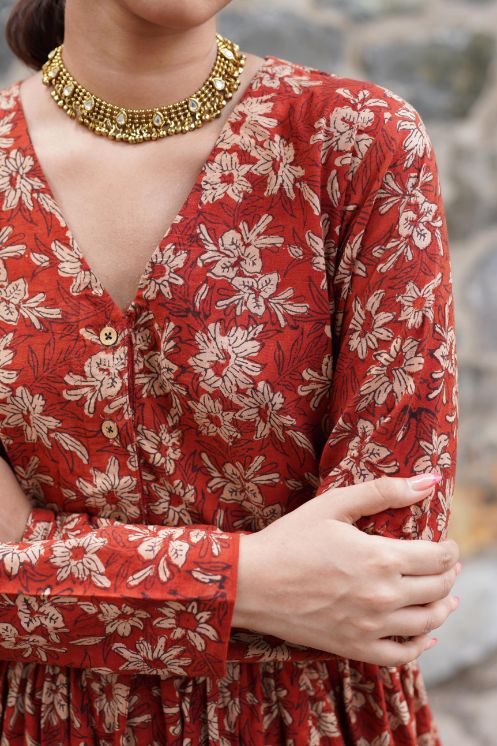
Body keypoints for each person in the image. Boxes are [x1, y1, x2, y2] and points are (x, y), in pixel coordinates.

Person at [0, 0, 460, 743]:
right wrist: (245, 583)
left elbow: (385, 577)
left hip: (311, 723)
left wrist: (52, 572)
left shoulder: (354, 142)